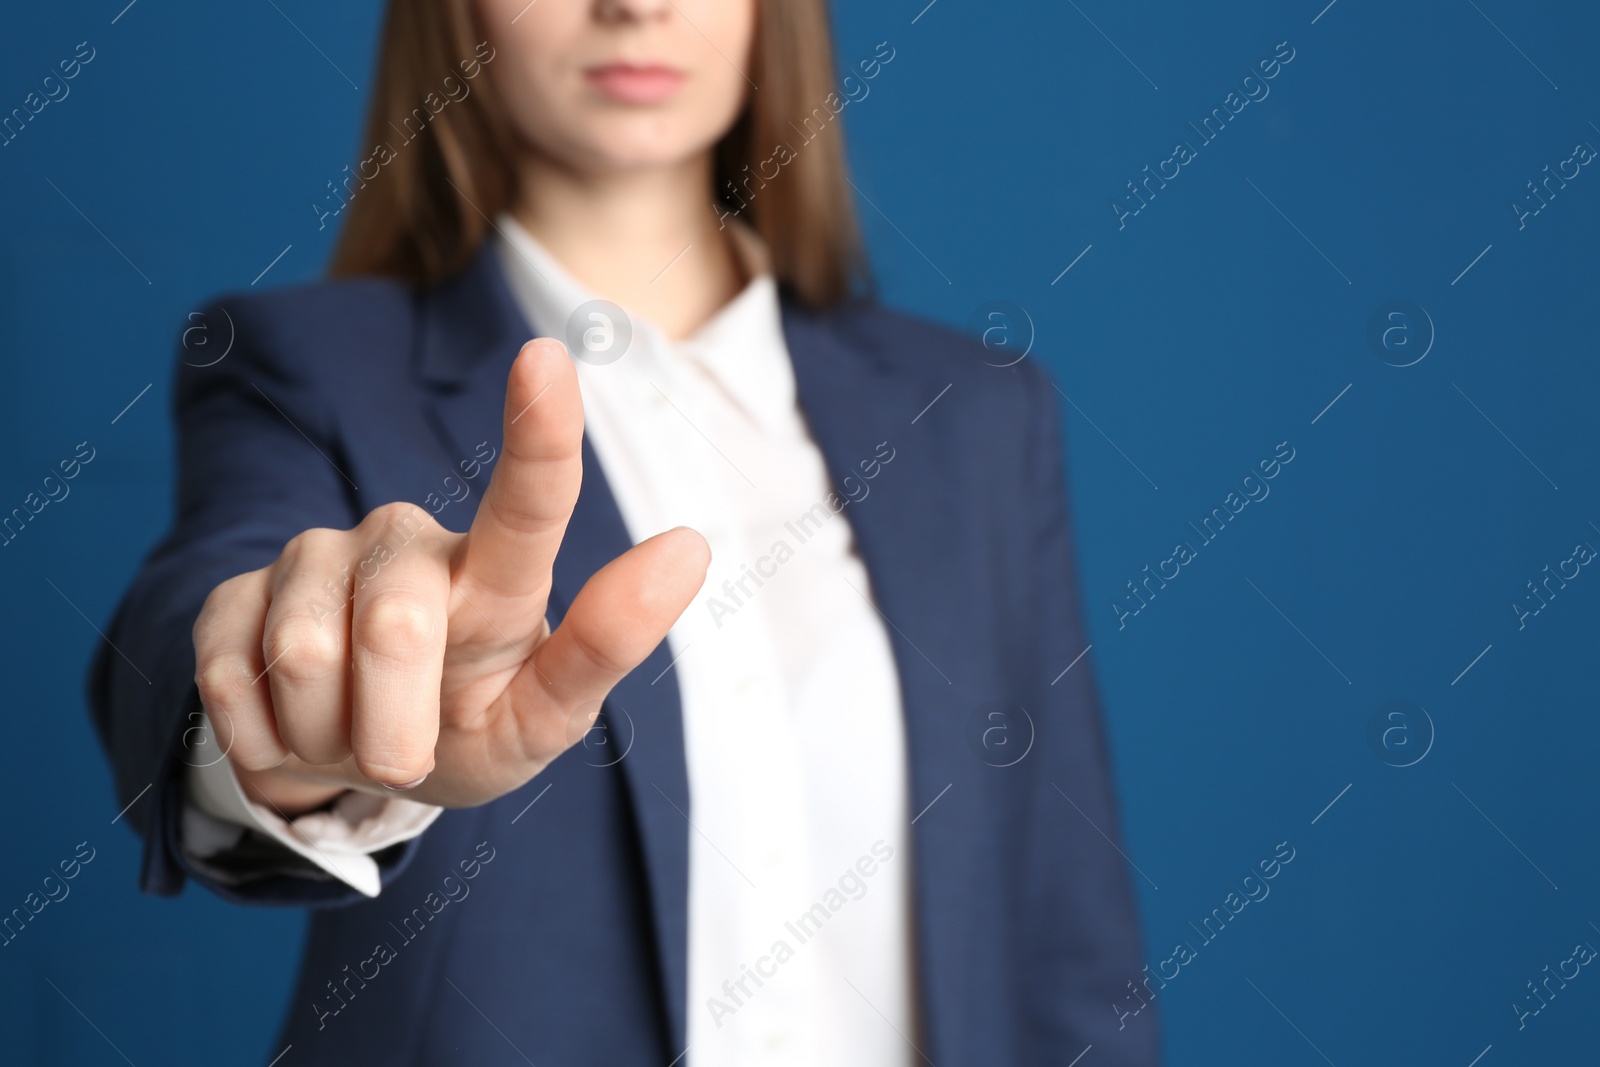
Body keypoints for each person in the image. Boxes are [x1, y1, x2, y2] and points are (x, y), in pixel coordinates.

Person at [90, 0, 1158, 1063]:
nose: (635, 6)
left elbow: (1067, 924)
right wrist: (284, 716)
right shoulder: (304, 367)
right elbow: (200, 614)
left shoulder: (974, 410)